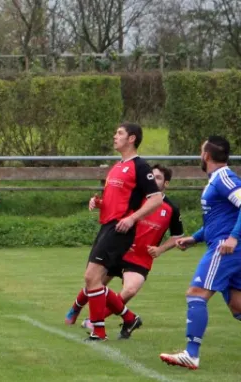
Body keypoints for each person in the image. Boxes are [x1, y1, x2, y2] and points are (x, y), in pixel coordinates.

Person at [66, 164, 184, 331]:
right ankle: (75, 308)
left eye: (158, 178)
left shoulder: (171, 209)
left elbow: (177, 236)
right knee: (94, 282)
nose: (153, 180)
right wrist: (98, 203)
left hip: (141, 257)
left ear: (166, 184)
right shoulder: (136, 197)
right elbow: (113, 207)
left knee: (130, 290)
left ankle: (95, 320)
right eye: (152, 176)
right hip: (120, 249)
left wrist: (160, 249)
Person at [160, 136, 241, 370]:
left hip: (226, 248)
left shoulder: (224, 178)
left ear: (206, 155)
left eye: (200, 150)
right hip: (226, 245)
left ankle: (191, 354)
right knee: (237, 305)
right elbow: (220, 219)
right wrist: (194, 237)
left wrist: (233, 237)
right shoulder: (216, 180)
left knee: (196, 293)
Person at [76, 123, 163, 341]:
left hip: (120, 229)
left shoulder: (140, 167)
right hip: (107, 226)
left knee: (92, 277)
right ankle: (128, 318)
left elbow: (156, 199)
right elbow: (116, 201)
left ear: (131, 139)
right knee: (92, 279)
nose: (115, 136)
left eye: (120, 133)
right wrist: (99, 203)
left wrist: (133, 218)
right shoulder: (117, 167)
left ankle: (99, 331)